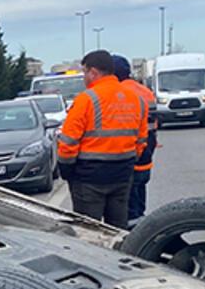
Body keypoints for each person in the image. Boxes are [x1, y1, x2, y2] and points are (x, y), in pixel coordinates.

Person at [56, 50, 147, 227]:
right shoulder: (135, 99)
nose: (84, 77)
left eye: (84, 72)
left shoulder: (86, 100)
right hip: (122, 174)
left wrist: (67, 170)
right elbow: (141, 139)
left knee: (89, 230)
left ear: (93, 72)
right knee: (117, 228)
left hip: (89, 178)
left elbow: (68, 142)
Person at [113, 54, 157, 227]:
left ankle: (135, 241)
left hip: (130, 155)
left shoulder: (121, 94)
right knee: (139, 198)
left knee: (130, 208)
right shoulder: (144, 91)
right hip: (146, 153)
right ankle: (143, 230)